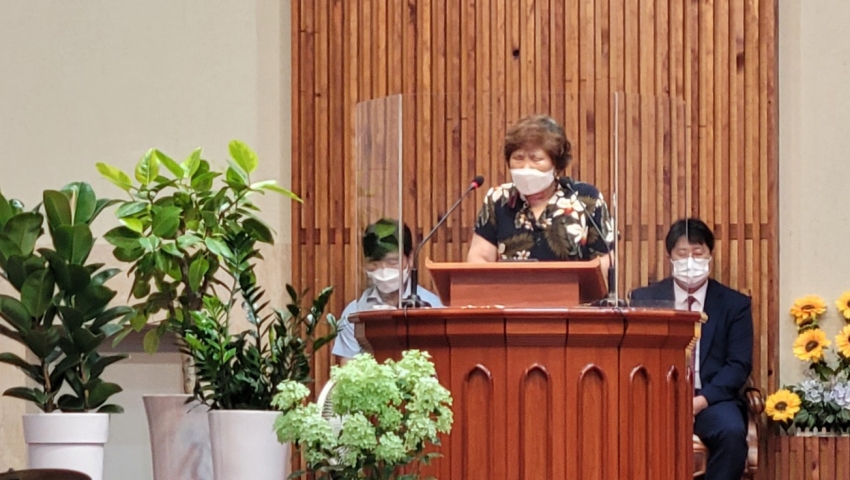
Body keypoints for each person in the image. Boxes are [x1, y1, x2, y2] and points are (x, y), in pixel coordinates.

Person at [630, 218, 753, 480]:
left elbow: (738, 365)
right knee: (626, 431)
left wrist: (699, 402)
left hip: (711, 399)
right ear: (670, 257)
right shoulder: (645, 299)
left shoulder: (734, 304)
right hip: (658, 397)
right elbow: (636, 356)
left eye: (698, 253)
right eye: (682, 254)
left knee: (731, 434)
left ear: (710, 256)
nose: (690, 261)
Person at [467, 114, 613, 264]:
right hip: (510, 281)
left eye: (536, 159)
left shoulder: (585, 198)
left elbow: (604, 260)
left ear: (555, 164)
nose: (526, 167)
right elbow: (479, 258)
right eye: (518, 158)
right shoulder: (498, 199)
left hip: (573, 281)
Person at [332, 218, 443, 364]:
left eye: (392, 262)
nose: (383, 269)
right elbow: (348, 370)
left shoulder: (434, 307)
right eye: (374, 263)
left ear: (410, 259)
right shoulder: (354, 312)